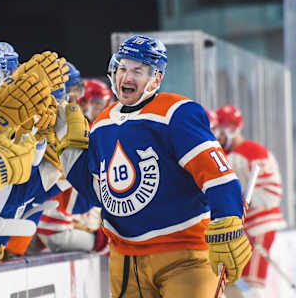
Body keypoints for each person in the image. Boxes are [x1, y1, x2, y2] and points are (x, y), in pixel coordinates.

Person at [56, 35, 252, 298]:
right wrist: (68, 151)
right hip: (126, 261)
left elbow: (218, 175)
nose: (127, 77)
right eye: (123, 68)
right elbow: (99, 192)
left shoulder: (177, 113)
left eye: (138, 71)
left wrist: (228, 217)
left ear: (156, 79)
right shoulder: (102, 123)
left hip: (185, 257)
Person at [214, 105, 286, 298]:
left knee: (251, 283)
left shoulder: (243, 154)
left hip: (257, 227)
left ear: (231, 128)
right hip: (248, 228)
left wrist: (244, 203)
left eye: (220, 128)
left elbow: (271, 192)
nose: (217, 134)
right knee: (234, 281)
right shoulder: (238, 152)